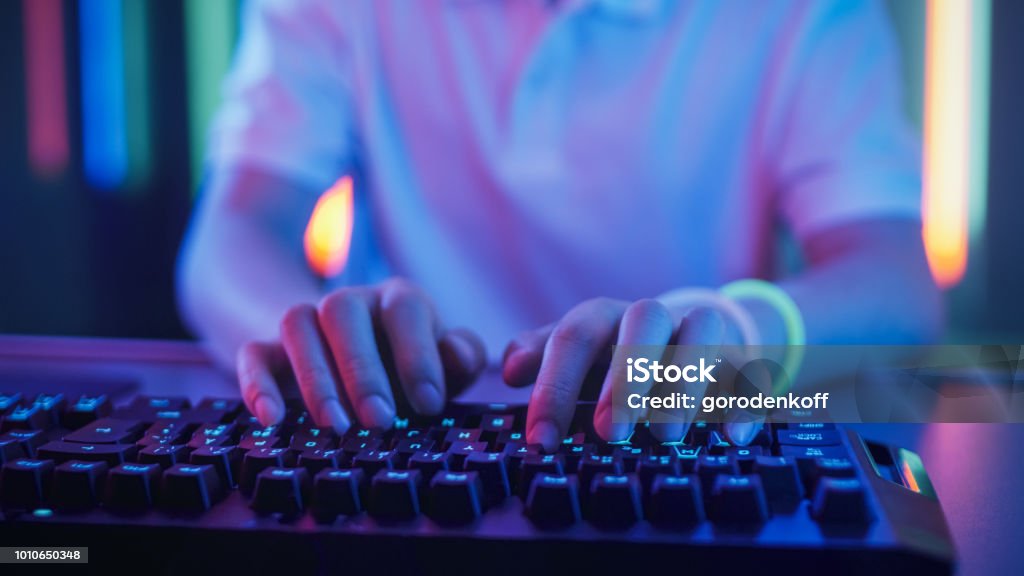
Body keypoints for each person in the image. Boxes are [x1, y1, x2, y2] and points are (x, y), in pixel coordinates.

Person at [177, 0, 941, 452]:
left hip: (678, 436)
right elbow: (234, 233)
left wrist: (744, 335)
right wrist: (308, 339)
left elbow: (897, 285)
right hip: (396, 432)